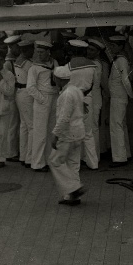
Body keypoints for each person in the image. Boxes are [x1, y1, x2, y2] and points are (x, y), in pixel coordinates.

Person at [49, 65, 87, 206]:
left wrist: (55, 134)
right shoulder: (76, 90)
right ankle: (72, 197)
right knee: (73, 164)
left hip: (68, 133)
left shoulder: (65, 95)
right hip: (79, 132)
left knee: (55, 161)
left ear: (58, 79)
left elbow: (64, 118)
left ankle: (73, 188)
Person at [66, 39, 98, 169]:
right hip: (87, 99)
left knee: (74, 133)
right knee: (88, 133)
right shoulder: (92, 66)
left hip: (73, 102)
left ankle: (75, 165)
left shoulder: (68, 67)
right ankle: (93, 163)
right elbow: (94, 83)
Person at [27, 36, 58, 170]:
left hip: (54, 97)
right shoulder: (34, 68)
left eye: (41, 52)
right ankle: (38, 163)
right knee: (40, 132)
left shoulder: (54, 63)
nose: (39, 55)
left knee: (52, 130)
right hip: (42, 99)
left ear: (48, 52)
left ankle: (50, 160)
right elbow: (30, 88)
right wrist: (43, 99)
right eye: (37, 52)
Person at [107, 34, 132, 166]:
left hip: (119, 97)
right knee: (121, 125)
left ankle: (119, 158)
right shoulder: (118, 60)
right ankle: (125, 153)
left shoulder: (121, 60)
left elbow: (125, 81)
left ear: (121, 46)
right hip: (118, 97)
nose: (111, 48)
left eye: (114, 45)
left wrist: (132, 96)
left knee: (116, 127)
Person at [14, 34, 35, 165]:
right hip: (27, 93)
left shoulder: (18, 61)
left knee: (24, 126)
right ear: (27, 50)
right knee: (31, 126)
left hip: (19, 93)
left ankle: (23, 156)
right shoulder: (28, 64)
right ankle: (30, 158)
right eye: (32, 49)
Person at [2, 34, 23, 161]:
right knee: (13, 124)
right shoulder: (8, 63)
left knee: (17, 123)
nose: (19, 49)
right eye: (17, 47)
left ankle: (16, 149)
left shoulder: (16, 60)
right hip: (11, 96)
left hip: (17, 94)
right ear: (11, 47)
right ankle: (11, 152)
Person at [86, 39, 106, 160]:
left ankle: (94, 157)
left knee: (93, 127)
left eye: (92, 50)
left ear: (98, 52)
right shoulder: (90, 62)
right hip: (91, 96)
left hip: (94, 97)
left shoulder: (96, 64)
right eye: (88, 49)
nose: (89, 52)